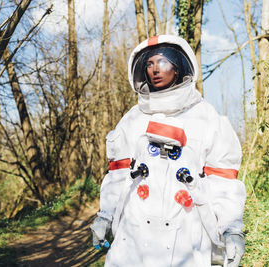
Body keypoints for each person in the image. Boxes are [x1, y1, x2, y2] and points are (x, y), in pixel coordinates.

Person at [90, 35, 246, 267]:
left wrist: (232, 229)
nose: (155, 69)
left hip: (186, 229)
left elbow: (222, 181)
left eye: (162, 62)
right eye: (149, 64)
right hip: (134, 231)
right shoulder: (132, 119)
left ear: (178, 67)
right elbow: (118, 175)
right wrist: (105, 215)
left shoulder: (205, 117)